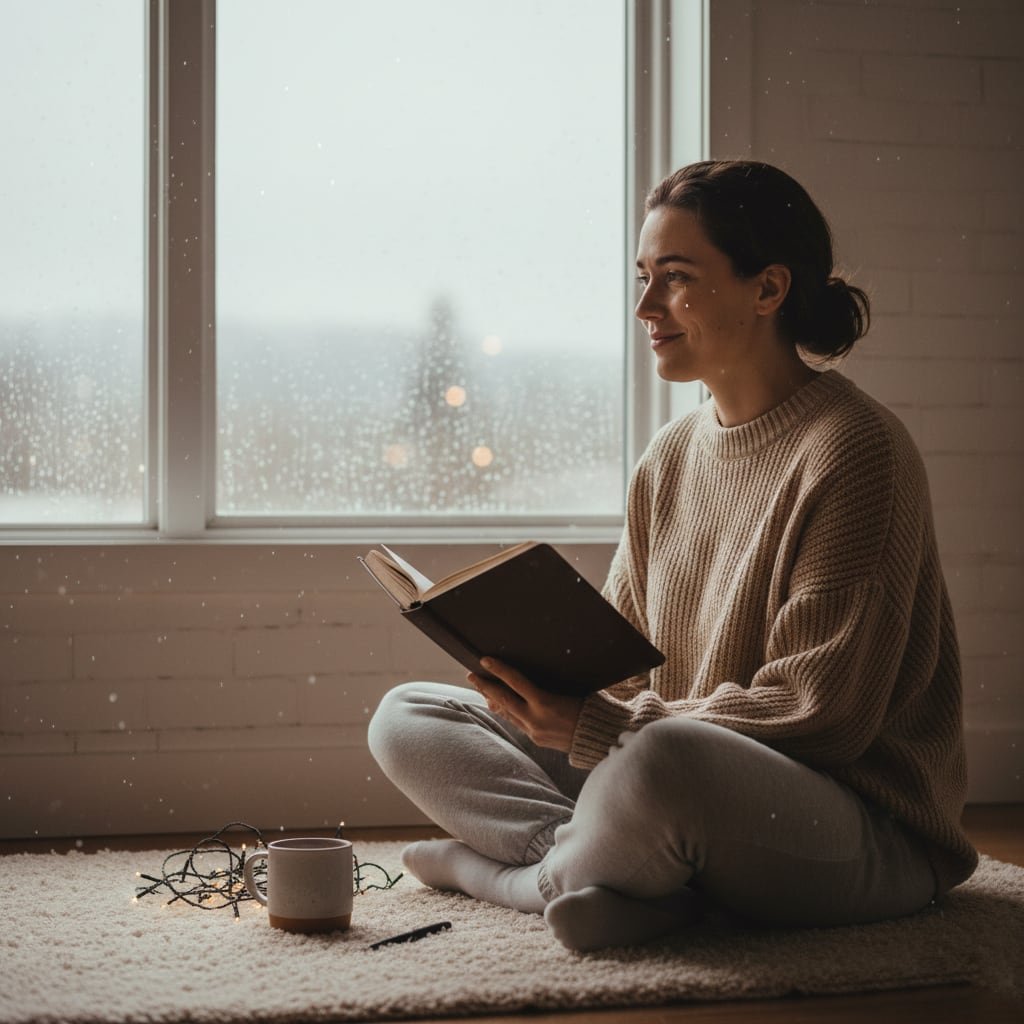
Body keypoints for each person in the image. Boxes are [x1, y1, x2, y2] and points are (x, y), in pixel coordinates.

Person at [367, 160, 978, 952]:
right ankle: (623, 874)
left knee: (661, 759)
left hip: (861, 825)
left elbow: (821, 717)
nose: (644, 306)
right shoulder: (671, 454)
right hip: (683, 782)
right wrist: (541, 690)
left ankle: (514, 877)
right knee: (411, 715)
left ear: (769, 289)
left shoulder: (856, 451)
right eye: (644, 277)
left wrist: (603, 729)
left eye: (677, 278)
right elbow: (622, 674)